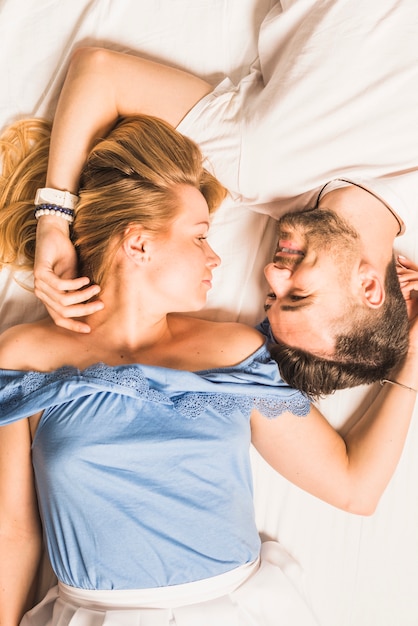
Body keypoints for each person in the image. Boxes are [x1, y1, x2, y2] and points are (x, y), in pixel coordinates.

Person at [1, 113, 418, 626]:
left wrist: (414, 353)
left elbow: (355, 488)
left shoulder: (234, 352)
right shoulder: (21, 356)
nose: (215, 257)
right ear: (139, 244)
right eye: (199, 236)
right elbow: (13, 532)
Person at [31, 0, 418, 394]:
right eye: (298, 294)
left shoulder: (258, 169)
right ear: (370, 287)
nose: (271, 273)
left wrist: (53, 221)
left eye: (272, 296)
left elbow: (99, 73)